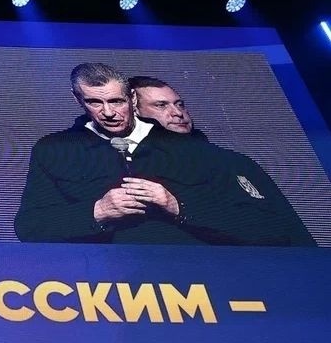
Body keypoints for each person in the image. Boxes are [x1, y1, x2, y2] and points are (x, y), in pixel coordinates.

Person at [14, 62, 300, 245]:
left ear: (132, 98)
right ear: (78, 100)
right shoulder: (55, 150)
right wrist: (97, 211)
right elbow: (31, 227)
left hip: (201, 282)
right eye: (95, 103)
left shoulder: (189, 148)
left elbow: (266, 226)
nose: (109, 112)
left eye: (116, 101)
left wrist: (177, 206)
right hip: (104, 289)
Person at [130, 75, 315, 246]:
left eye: (180, 104)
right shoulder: (133, 161)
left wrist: (181, 207)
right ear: (134, 111)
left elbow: (286, 225)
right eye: (161, 105)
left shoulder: (235, 161)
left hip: (268, 263)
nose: (177, 112)